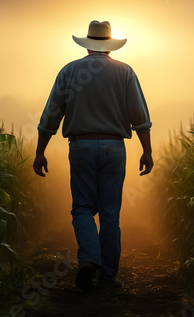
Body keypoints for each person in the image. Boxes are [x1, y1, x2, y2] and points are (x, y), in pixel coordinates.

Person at [33, 20, 153, 292]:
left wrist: (40, 151)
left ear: (87, 46)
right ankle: (109, 278)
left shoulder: (69, 71)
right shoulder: (125, 72)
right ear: (110, 46)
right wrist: (147, 150)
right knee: (110, 214)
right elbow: (139, 118)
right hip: (114, 149)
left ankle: (88, 259)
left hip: (81, 147)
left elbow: (51, 114)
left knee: (83, 208)